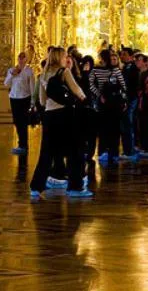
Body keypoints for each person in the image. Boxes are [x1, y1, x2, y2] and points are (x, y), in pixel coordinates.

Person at [30, 47, 92, 199]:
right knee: (74, 151)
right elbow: (76, 89)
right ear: (59, 58)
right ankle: (75, 188)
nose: (66, 59)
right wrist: (84, 100)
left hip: (49, 116)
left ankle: (36, 187)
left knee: (46, 153)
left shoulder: (43, 74)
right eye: (64, 56)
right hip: (65, 114)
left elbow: (42, 100)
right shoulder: (64, 72)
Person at [90, 49, 128, 163]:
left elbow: (91, 85)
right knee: (114, 129)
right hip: (115, 102)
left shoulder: (95, 70)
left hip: (104, 102)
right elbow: (123, 86)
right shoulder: (116, 70)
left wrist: (99, 95)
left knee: (103, 128)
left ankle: (103, 151)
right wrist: (124, 100)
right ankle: (114, 152)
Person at [5, 51, 35, 154]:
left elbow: (32, 86)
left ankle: (23, 145)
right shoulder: (11, 70)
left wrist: (33, 101)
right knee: (17, 121)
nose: (21, 60)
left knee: (23, 122)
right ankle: (21, 144)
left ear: (26, 59)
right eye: (19, 58)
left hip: (24, 98)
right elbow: (6, 84)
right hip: (14, 98)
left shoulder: (29, 71)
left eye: (23, 58)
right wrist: (12, 75)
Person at [77, 56, 98, 166]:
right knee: (83, 131)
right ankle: (84, 151)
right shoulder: (80, 76)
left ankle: (90, 152)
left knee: (91, 132)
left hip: (92, 107)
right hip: (82, 107)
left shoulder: (95, 76)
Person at [119, 47, 140, 157]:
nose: (122, 56)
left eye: (124, 54)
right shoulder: (125, 68)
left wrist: (127, 100)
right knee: (125, 125)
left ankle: (130, 150)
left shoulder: (133, 68)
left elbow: (132, 86)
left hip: (130, 99)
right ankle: (127, 149)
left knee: (128, 124)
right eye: (121, 54)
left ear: (131, 56)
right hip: (126, 99)